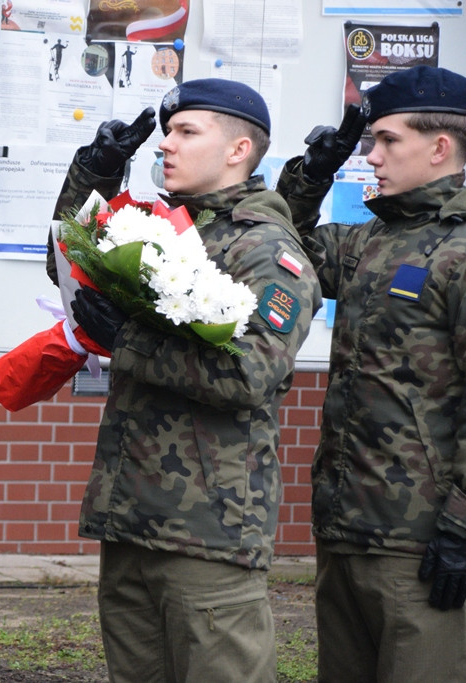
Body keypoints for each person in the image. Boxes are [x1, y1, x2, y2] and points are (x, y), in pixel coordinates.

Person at [51, 80, 322, 681]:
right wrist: (95, 174)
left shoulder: (268, 250)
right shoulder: (166, 225)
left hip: (209, 531)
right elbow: (68, 258)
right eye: (167, 132)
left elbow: (249, 371)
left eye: (186, 132)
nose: (166, 145)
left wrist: (128, 340)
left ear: (238, 149)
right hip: (131, 516)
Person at [276, 64, 466, 681]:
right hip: (347, 526)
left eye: (388, 140)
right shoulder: (370, 240)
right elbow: (276, 243)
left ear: (440, 147)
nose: (372, 156)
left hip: (423, 540)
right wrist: (313, 171)